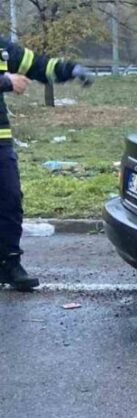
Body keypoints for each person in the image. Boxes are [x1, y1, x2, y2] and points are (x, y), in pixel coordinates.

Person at [0, 36, 94, 291]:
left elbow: (38, 64)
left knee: (9, 201)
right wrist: (6, 82)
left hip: (0, 141)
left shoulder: (3, 48)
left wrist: (70, 69)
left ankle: (9, 264)